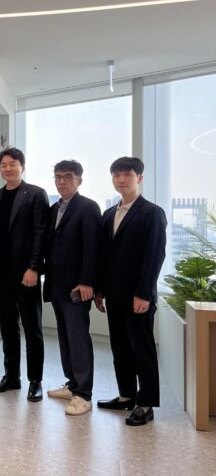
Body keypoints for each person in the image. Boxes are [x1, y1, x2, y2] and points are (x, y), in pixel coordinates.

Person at [95, 156, 167, 426]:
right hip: (114, 294)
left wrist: (144, 294)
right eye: (117, 175)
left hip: (139, 295)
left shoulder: (152, 212)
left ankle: (146, 403)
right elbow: (105, 256)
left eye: (127, 174)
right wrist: (100, 290)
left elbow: (154, 256)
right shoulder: (108, 214)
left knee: (142, 350)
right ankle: (127, 395)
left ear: (140, 178)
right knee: (120, 347)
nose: (121, 179)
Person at [0, 147, 49, 402]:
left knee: (32, 329)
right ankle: (12, 376)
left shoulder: (36, 194)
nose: (8, 168)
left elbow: (41, 233)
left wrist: (34, 268)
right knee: (8, 328)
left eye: (13, 164)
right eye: (4, 164)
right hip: (2, 274)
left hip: (26, 274)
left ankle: (35, 380)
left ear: (23, 167)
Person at [42, 160, 101, 416]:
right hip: (56, 284)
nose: (61, 181)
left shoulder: (88, 207)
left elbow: (93, 247)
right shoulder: (54, 208)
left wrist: (88, 281)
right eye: (57, 176)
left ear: (79, 180)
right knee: (65, 336)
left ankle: (83, 394)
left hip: (77, 286)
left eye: (67, 176)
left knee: (78, 338)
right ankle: (72, 384)